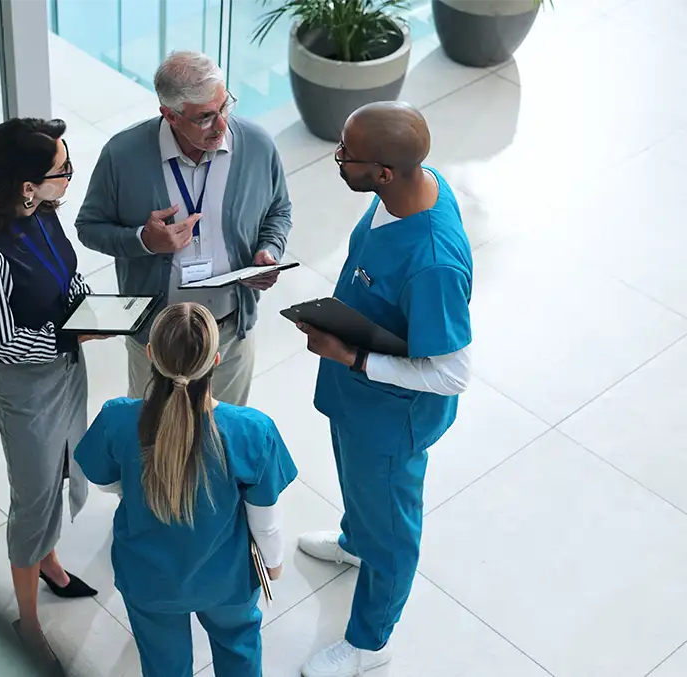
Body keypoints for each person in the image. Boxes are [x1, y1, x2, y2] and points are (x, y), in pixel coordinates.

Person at [293, 102, 473, 677]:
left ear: (385, 174)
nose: (338, 159)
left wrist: (352, 356)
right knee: (356, 486)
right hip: (357, 392)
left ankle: (370, 643)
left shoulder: (435, 263)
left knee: (392, 535)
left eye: (348, 155)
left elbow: (452, 372)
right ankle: (354, 539)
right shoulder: (406, 188)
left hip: (391, 418)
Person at [0, 118, 109, 674]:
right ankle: (28, 621)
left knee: (65, 468)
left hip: (67, 368)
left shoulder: (43, 215)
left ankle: (50, 562)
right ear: (25, 184)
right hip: (29, 388)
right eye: (61, 171)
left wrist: (93, 308)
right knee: (34, 495)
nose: (69, 179)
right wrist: (71, 333)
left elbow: (69, 278)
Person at [74, 302, 298, 677]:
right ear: (217, 361)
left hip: (149, 580)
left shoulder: (117, 418)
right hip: (226, 580)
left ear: (150, 355)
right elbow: (265, 522)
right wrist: (272, 566)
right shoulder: (252, 431)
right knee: (239, 651)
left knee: (164, 666)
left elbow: (102, 479)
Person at [75, 50, 293, 407]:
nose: (221, 125)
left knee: (222, 437)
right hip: (154, 336)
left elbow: (278, 209)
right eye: (205, 117)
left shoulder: (256, 145)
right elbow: (89, 227)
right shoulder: (122, 155)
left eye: (225, 107)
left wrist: (270, 249)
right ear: (170, 115)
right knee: (151, 437)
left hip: (230, 332)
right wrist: (143, 240)